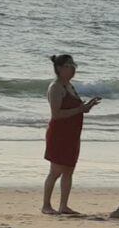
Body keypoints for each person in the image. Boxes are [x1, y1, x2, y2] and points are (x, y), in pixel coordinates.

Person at [42, 54, 100, 215]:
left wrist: (87, 106)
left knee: (69, 169)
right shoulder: (56, 87)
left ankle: (63, 205)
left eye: (74, 65)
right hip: (59, 133)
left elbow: (76, 109)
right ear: (60, 69)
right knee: (55, 171)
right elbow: (56, 114)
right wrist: (80, 109)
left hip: (73, 133)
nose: (73, 69)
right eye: (69, 66)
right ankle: (46, 205)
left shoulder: (70, 86)